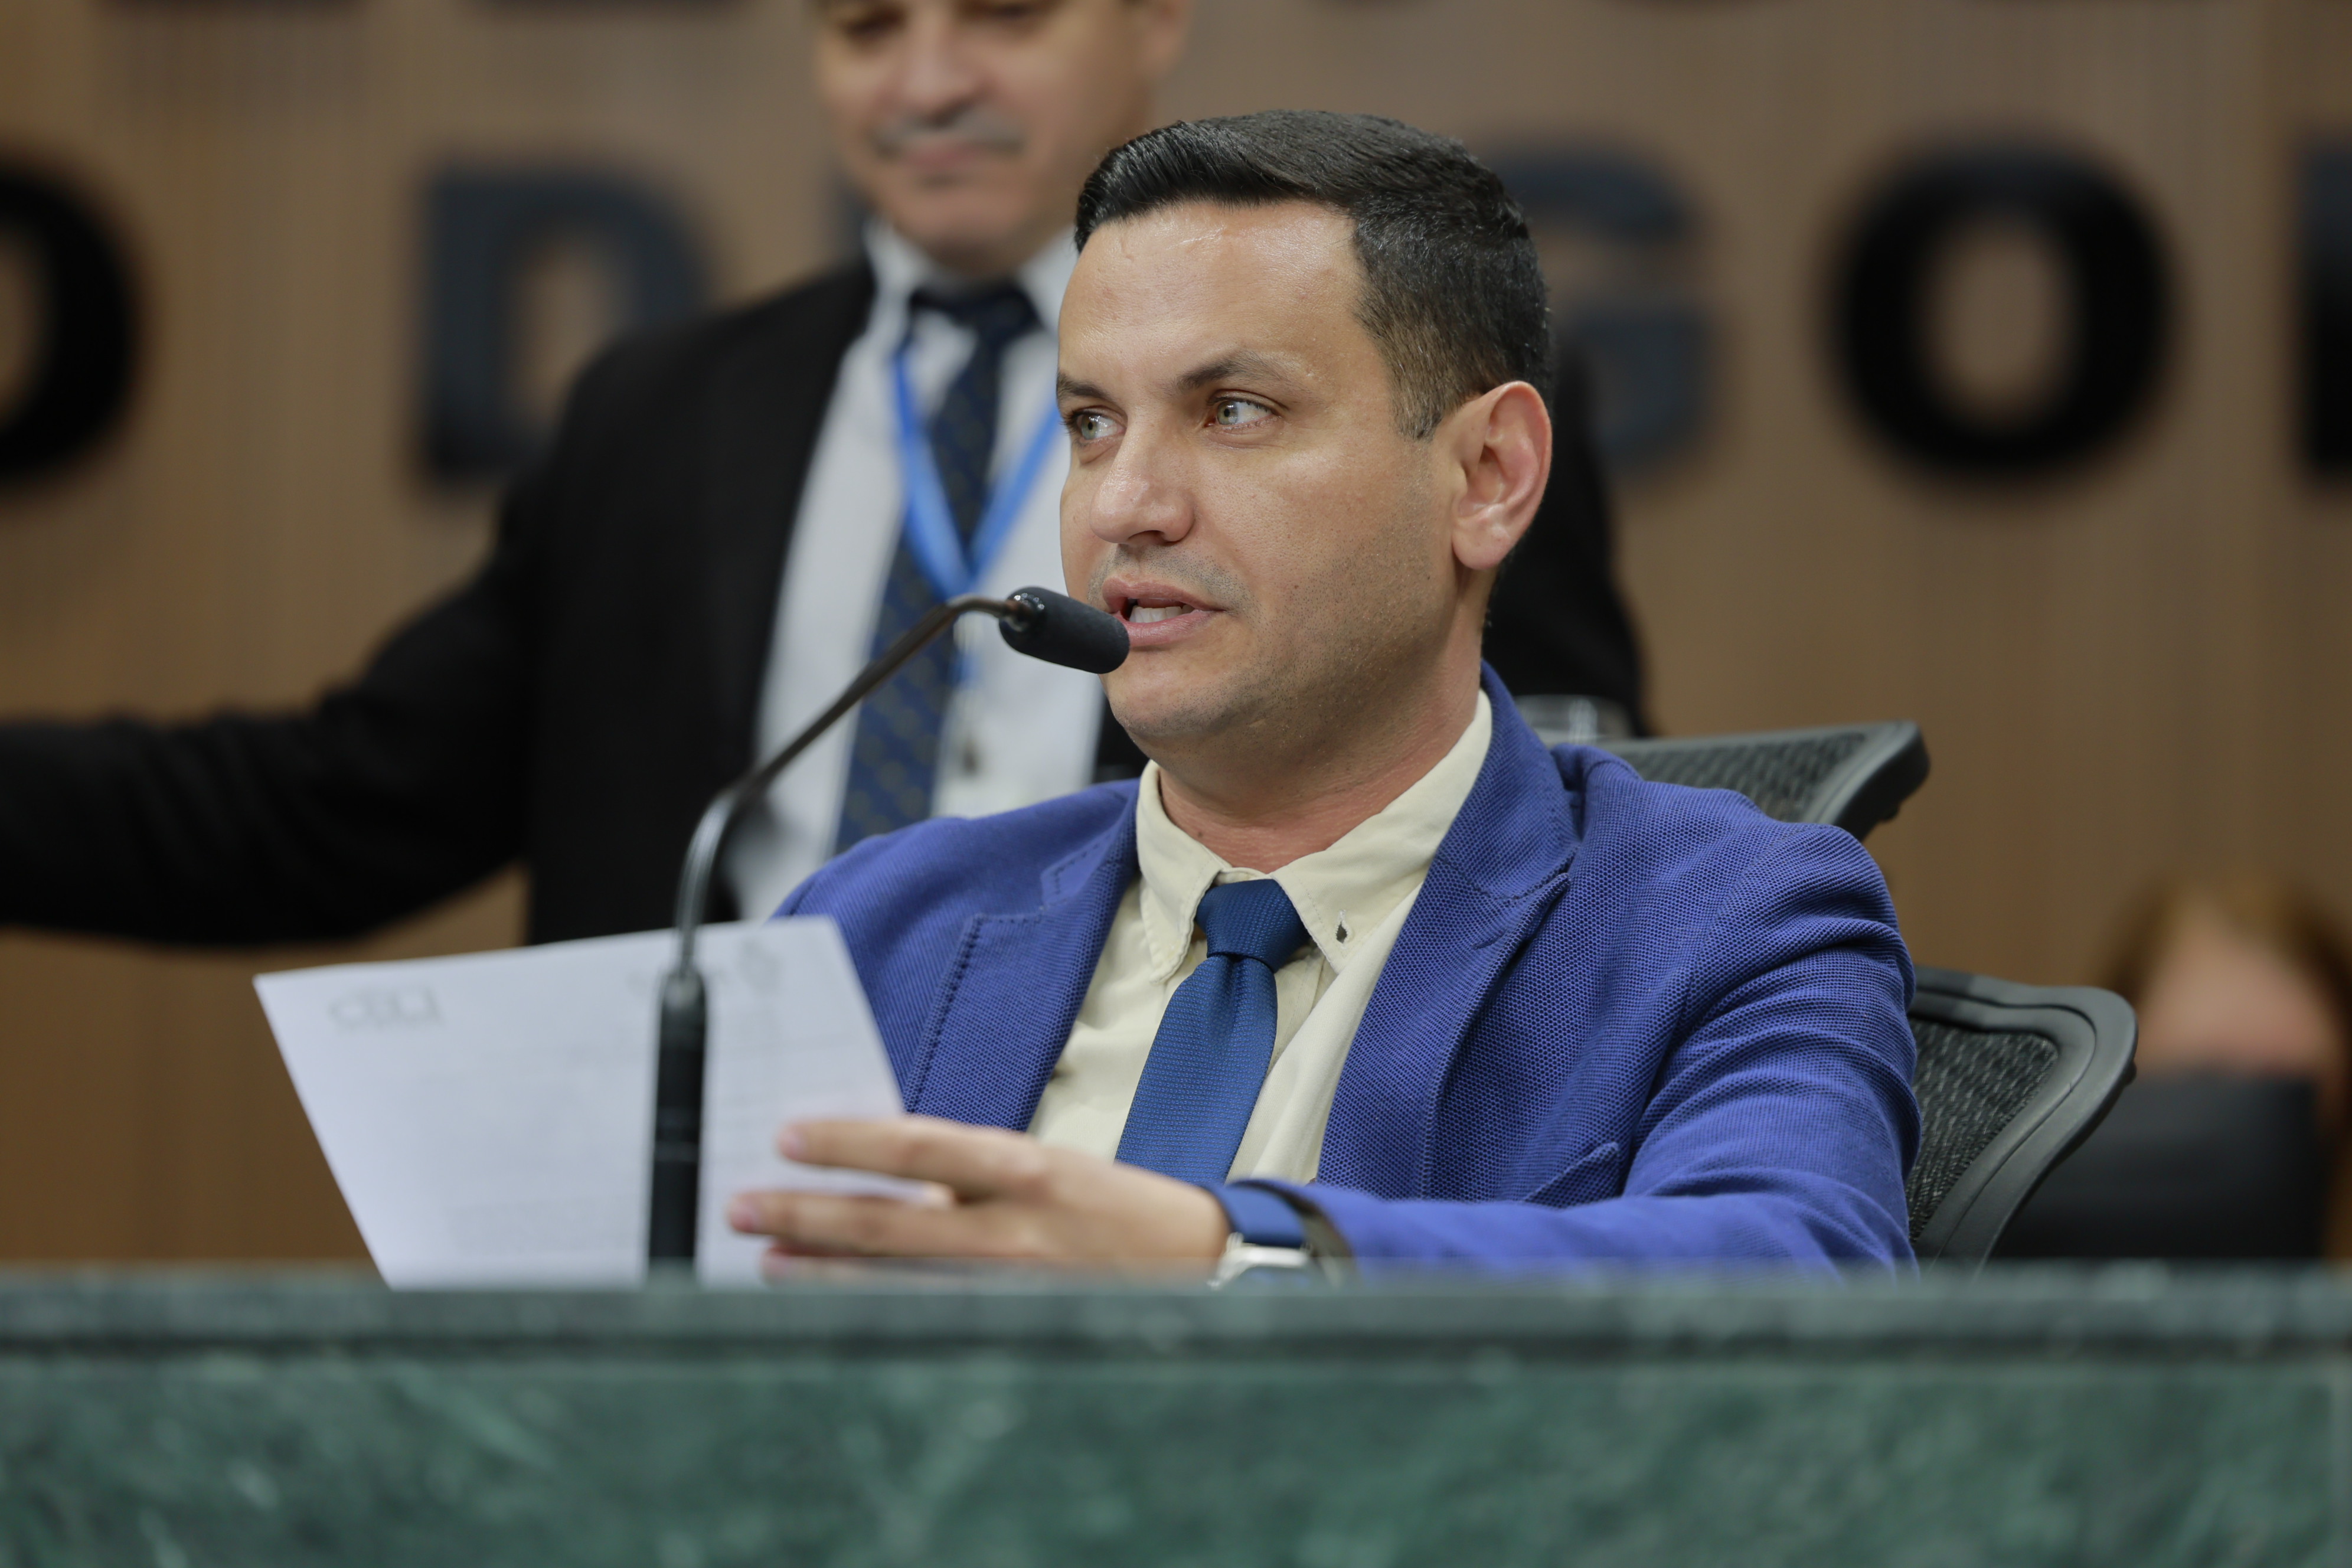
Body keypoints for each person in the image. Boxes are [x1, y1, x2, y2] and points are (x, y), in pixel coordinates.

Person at [0, 0, 1645, 950]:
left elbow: (1542, 823)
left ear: (1151, 18)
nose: (929, 82)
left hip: (1167, 1191)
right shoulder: (658, 415)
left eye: (1003, 15)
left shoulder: (1403, 396)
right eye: (868, 25)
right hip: (719, 1238)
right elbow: (335, 808)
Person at [723, 111, 1917, 1276]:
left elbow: (1796, 1271)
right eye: (1091, 423)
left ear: (1488, 476)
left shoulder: (1729, 920)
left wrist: (1218, 1255)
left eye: (1234, 412)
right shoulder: (878, 924)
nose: (1126, 503)